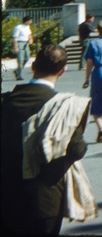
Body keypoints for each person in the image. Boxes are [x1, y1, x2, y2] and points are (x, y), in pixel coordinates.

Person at [2, 44, 95, 235]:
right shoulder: (67, 107)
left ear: (33, 65)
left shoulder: (5, 101)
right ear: (63, 71)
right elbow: (76, 150)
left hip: (5, 193)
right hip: (44, 197)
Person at [12, 15, 34, 80]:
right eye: (30, 20)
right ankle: (19, 75)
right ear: (27, 21)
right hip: (20, 43)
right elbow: (14, 38)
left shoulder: (27, 27)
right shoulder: (18, 27)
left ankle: (17, 70)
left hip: (25, 43)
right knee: (20, 59)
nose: (31, 22)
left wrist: (31, 39)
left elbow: (30, 34)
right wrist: (15, 47)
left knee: (27, 58)